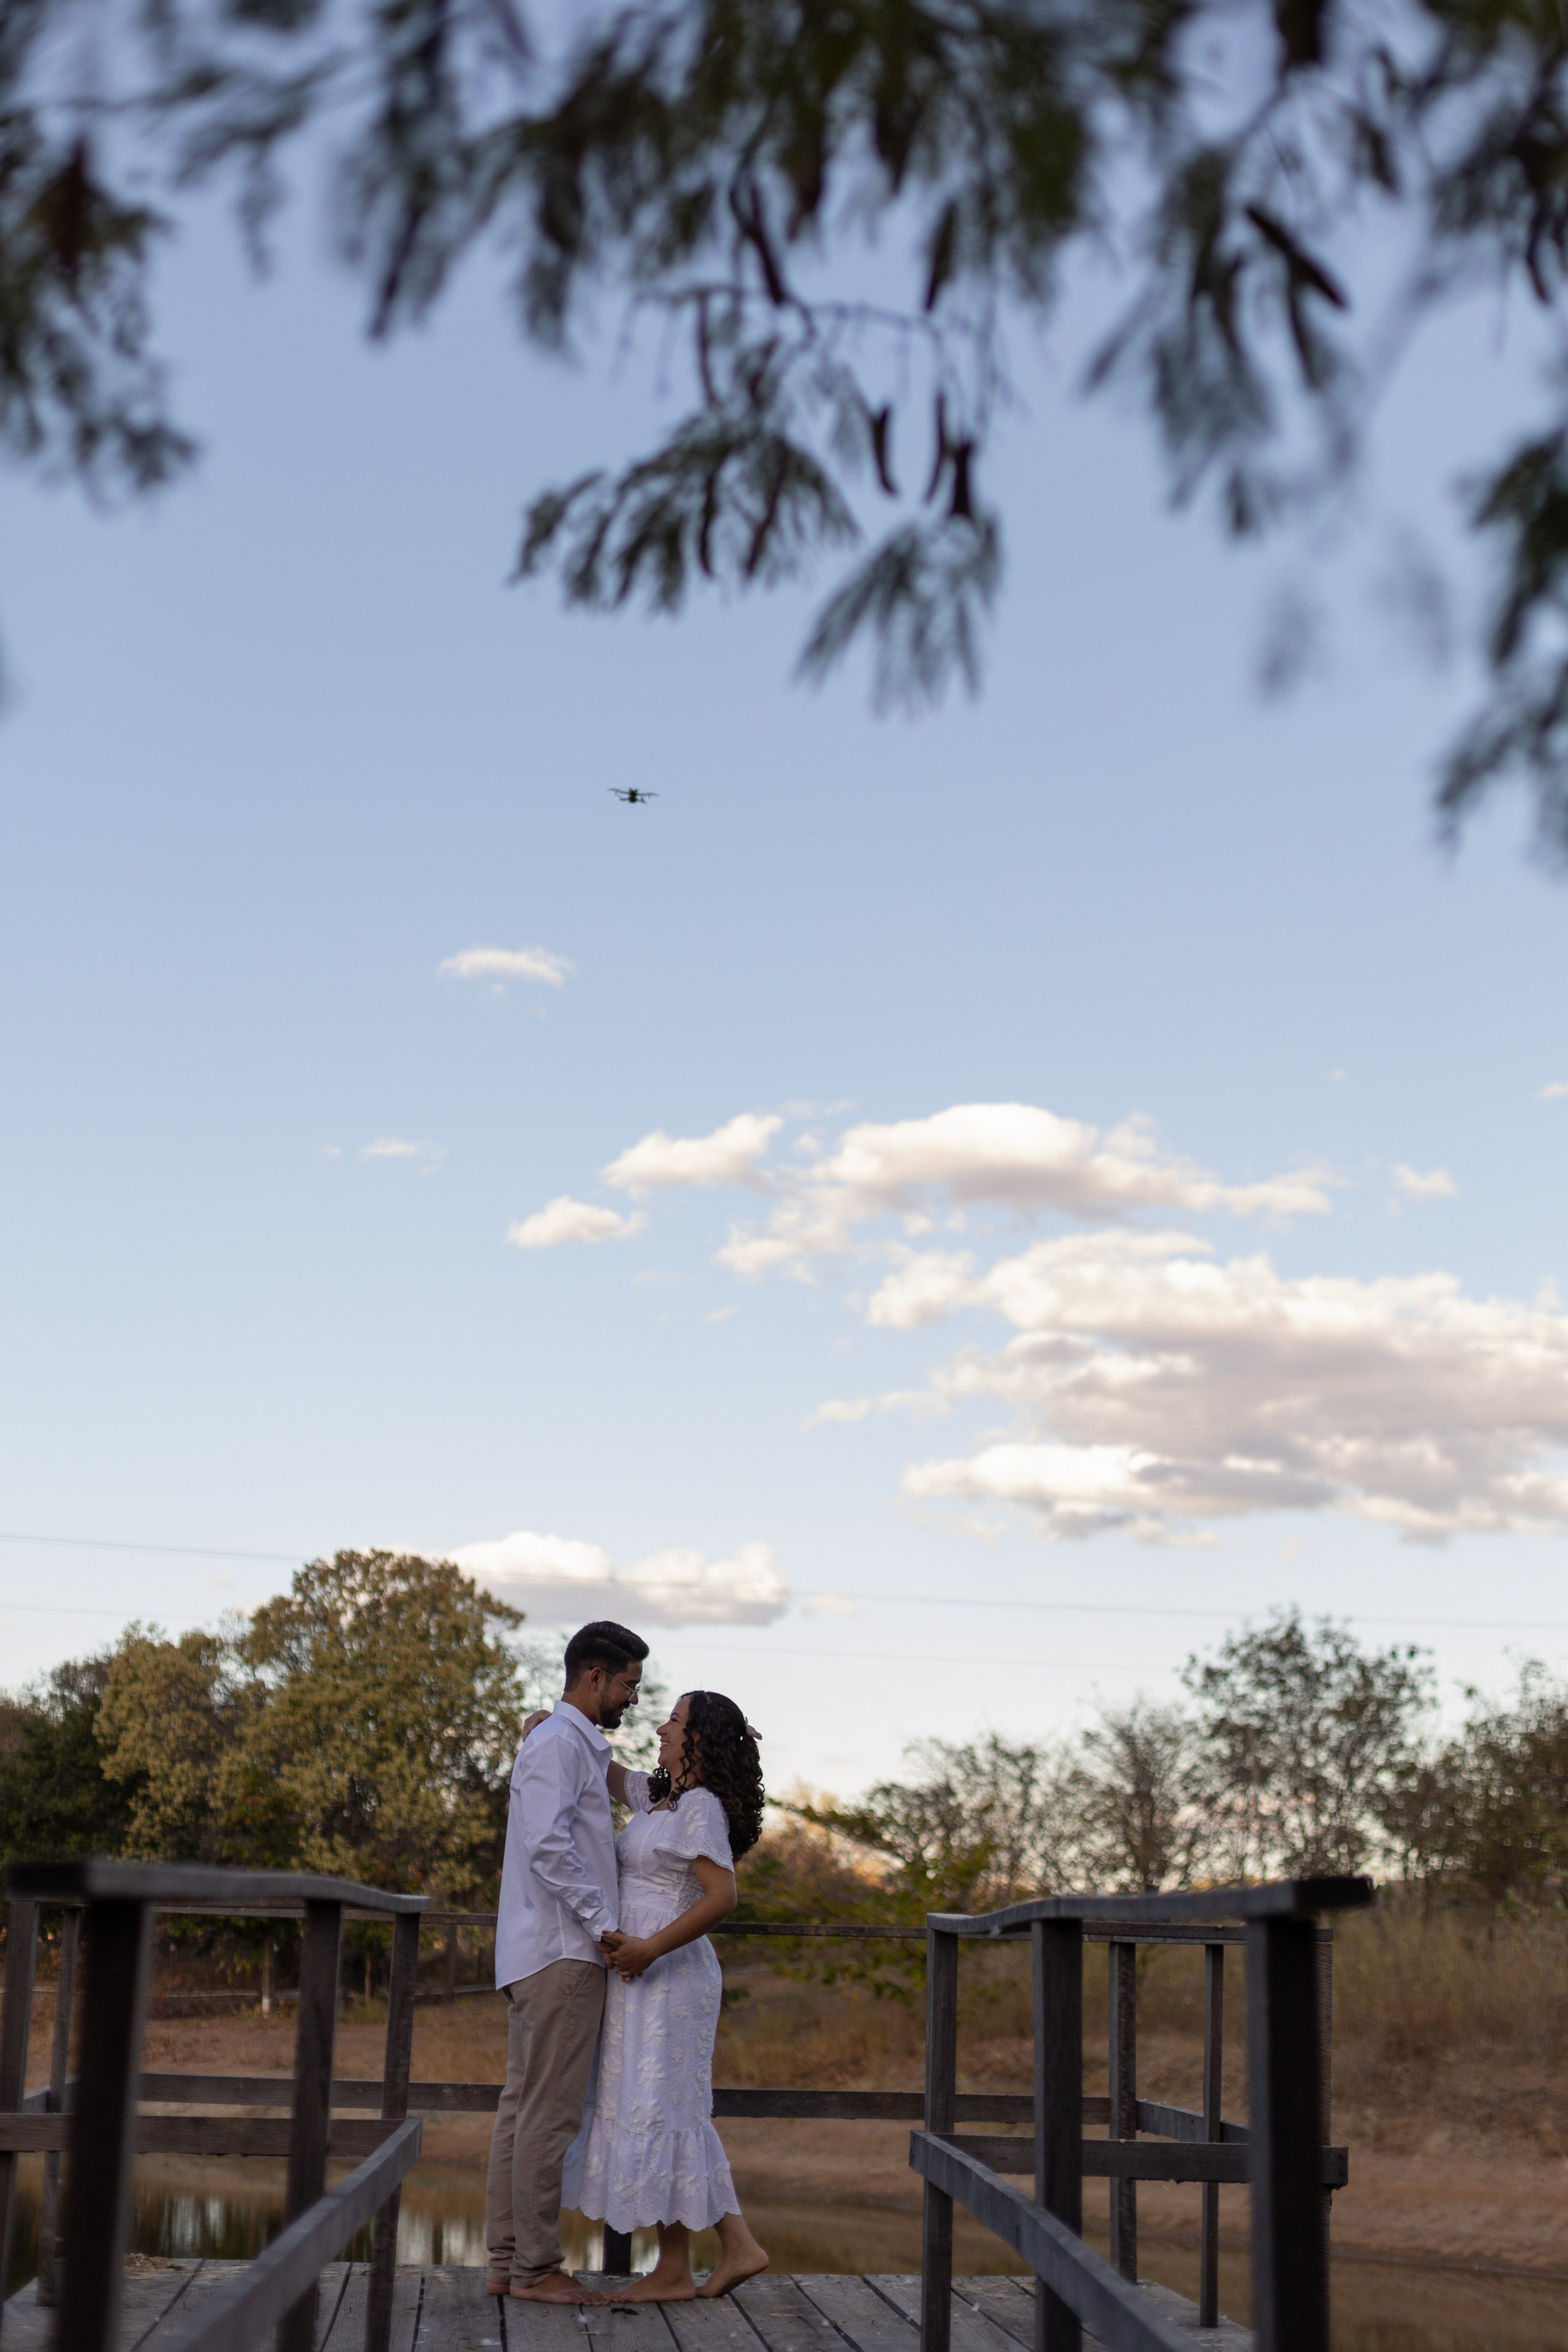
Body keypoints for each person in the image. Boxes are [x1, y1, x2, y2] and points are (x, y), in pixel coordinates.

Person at [554, 1689, 772, 2299]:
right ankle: (707, 2257)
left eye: (673, 1721)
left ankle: (701, 2260)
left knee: (666, 2111)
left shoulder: (700, 1806)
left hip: (671, 1977)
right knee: (655, 2110)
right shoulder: (659, 1799)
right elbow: (603, 1767)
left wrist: (650, 1949)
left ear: (697, 1738)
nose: (661, 1729)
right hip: (637, 1978)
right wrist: (562, 1723)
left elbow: (720, 1897)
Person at [484, 1619, 649, 2305]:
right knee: (548, 2115)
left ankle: (506, 2260)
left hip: (543, 1950)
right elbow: (550, 1847)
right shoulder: (557, 1744)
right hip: (563, 1953)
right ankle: (536, 2270)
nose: (633, 1698)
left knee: (523, 2110)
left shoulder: (566, 1742)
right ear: (594, 1677)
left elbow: (628, 1792)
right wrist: (605, 1926)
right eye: (629, 1685)